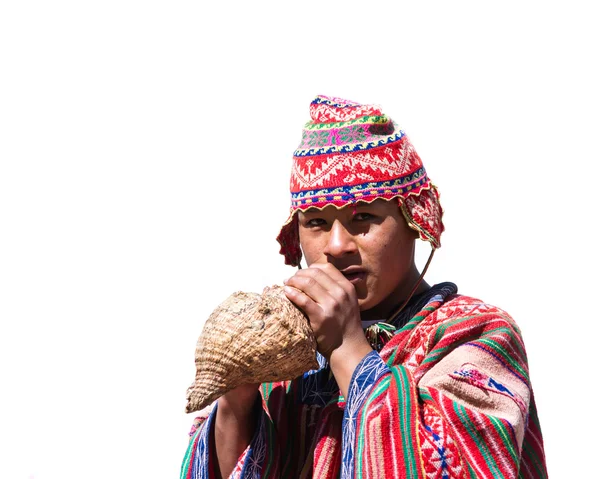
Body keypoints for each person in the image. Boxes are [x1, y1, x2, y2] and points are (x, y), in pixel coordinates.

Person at [180, 95, 548, 478]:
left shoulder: (474, 334)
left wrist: (347, 347)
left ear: (413, 221)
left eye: (364, 216)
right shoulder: (286, 358)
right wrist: (237, 404)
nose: (337, 246)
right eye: (316, 223)